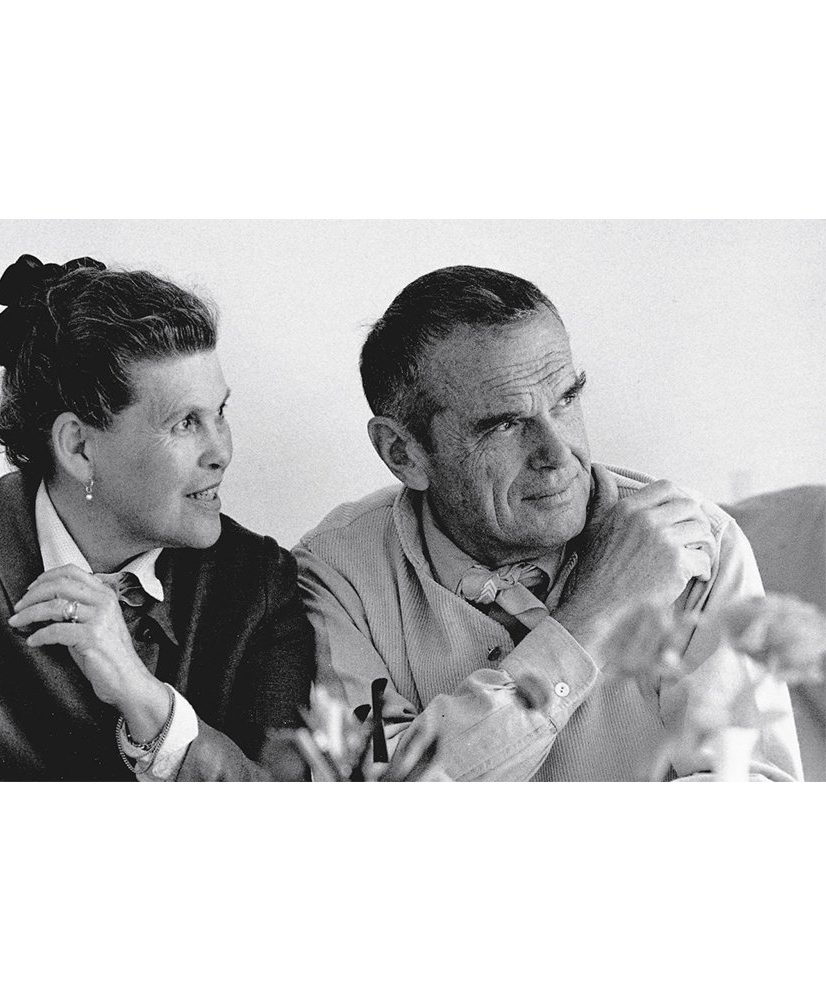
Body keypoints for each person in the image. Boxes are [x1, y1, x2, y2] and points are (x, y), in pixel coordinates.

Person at [294, 265, 802, 781]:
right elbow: (381, 799)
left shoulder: (692, 545)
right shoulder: (338, 571)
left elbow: (751, 796)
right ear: (403, 453)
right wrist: (593, 616)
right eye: (505, 424)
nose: (559, 455)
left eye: (566, 399)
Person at [0, 254, 315, 780]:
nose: (221, 452)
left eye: (220, 413)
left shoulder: (261, 584)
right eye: (185, 422)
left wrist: (147, 702)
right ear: (79, 448)